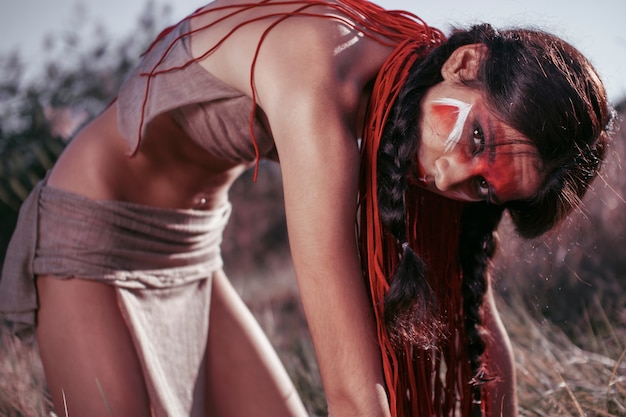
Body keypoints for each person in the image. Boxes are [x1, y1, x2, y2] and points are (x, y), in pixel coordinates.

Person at [0, 0, 612, 416]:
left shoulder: (418, 95)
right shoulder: (320, 74)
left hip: (193, 252)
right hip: (89, 237)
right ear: (466, 61)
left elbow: (477, 318)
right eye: (475, 139)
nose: (449, 174)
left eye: (483, 189)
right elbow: (350, 394)